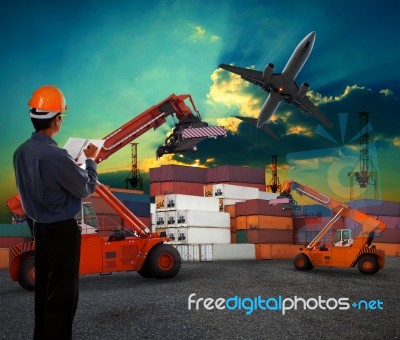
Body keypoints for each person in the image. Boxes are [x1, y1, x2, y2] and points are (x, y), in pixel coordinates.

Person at [13, 85, 99, 340]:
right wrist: (91, 161)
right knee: (63, 294)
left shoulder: (20, 153)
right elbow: (86, 188)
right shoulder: (57, 156)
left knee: (45, 289)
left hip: (38, 226)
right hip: (61, 229)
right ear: (57, 120)